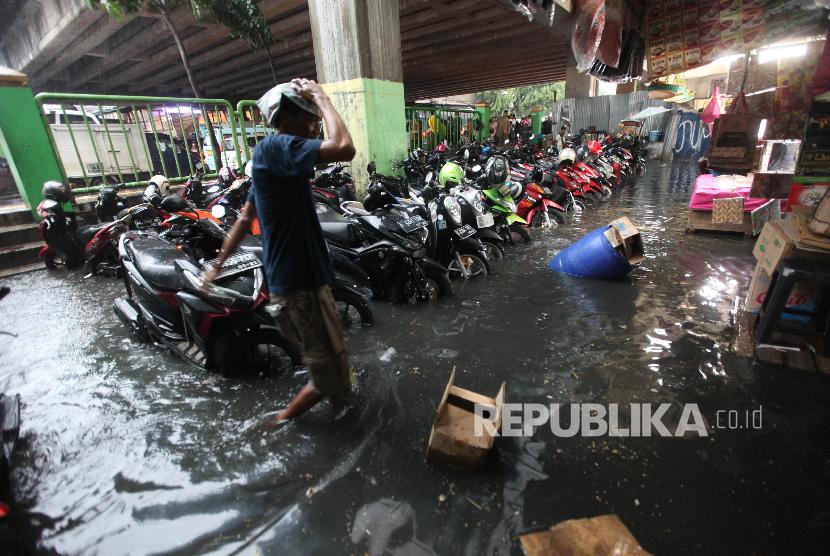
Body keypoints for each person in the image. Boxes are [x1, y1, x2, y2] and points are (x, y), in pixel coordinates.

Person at [202, 78, 356, 424]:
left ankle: (340, 410)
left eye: (316, 116)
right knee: (326, 378)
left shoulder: (272, 163)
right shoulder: (277, 148)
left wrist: (216, 265)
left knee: (334, 365)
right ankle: (278, 423)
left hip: (300, 286)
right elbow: (344, 148)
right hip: (300, 289)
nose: (316, 123)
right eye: (310, 116)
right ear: (286, 117)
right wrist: (322, 97)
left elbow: (244, 220)